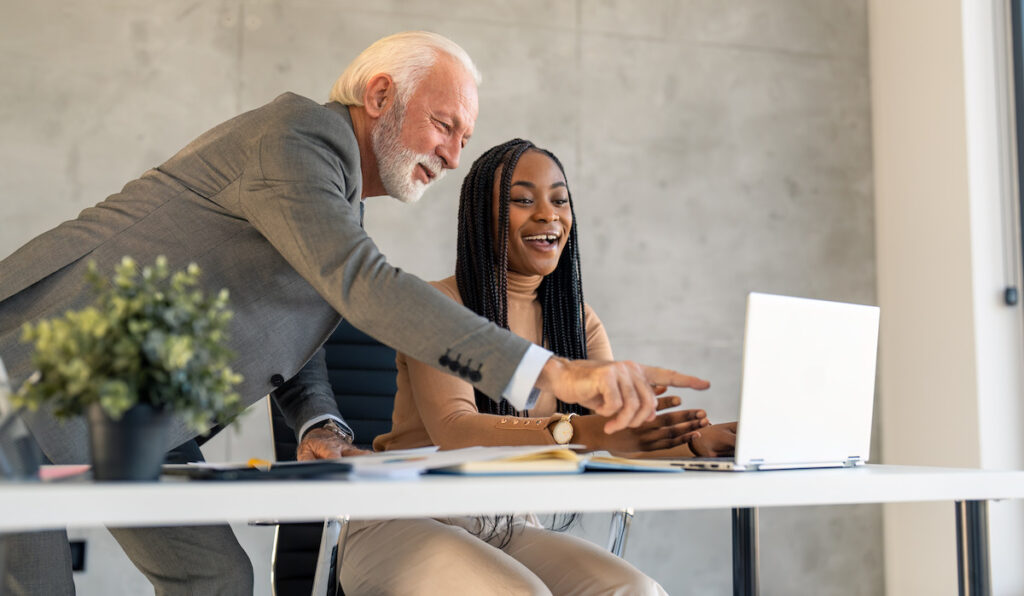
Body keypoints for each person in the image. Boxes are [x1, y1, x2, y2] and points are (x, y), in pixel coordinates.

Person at [0, 32, 710, 594]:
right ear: (379, 95)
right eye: (444, 125)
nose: (455, 154)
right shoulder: (295, 140)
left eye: (466, 137)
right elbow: (362, 285)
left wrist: (319, 423)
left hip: (137, 414)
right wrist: (551, 373)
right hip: (27, 372)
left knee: (212, 576)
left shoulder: (335, 204)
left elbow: (298, 320)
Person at [339, 139, 737, 595]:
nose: (549, 215)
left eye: (560, 200)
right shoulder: (439, 306)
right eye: (523, 200)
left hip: (507, 524)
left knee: (636, 592)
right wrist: (578, 431)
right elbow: (456, 429)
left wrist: (693, 446)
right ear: (482, 218)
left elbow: (612, 442)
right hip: (402, 518)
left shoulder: (578, 323)